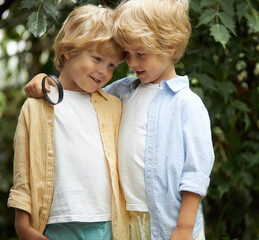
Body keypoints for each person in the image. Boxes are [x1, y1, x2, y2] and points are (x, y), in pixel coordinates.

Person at [24, 0, 215, 239]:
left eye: (140, 54)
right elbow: (79, 93)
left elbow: (196, 171)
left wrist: (184, 227)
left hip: (170, 223)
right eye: (127, 54)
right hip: (125, 221)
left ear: (169, 47)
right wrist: (45, 80)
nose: (132, 63)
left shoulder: (187, 104)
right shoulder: (122, 92)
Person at [8, 5, 129, 240]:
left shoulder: (114, 106)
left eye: (112, 65)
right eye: (97, 59)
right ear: (69, 51)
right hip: (54, 226)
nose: (104, 71)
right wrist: (23, 227)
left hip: (107, 225)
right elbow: (23, 172)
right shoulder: (35, 106)